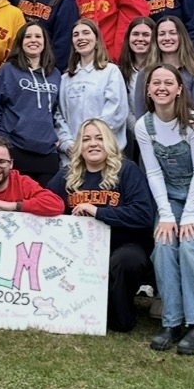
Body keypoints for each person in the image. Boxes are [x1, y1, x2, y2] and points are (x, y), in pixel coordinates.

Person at [138, 64, 194, 355]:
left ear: (179, 90)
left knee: (190, 247)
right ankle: (171, 321)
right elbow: (153, 173)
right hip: (172, 196)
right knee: (163, 245)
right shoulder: (144, 126)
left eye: (168, 83)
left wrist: (187, 216)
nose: (161, 87)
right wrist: (166, 215)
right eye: (156, 83)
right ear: (148, 90)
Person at [48, 119, 155, 332]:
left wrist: (98, 212)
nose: (93, 144)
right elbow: (45, 203)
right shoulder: (66, 176)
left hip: (123, 246)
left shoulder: (127, 171)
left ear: (110, 143)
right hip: (80, 251)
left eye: (99, 138)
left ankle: (119, 317)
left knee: (126, 260)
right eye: (86, 139)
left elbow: (144, 215)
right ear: (79, 146)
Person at [0, 22, 62, 186]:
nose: (33, 40)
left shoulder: (55, 74)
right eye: (28, 37)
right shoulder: (8, 70)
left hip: (47, 150)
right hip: (14, 148)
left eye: (38, 36)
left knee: (46, 204)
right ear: (20, 42)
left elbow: (57, 111)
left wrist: (58, 136)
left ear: (45, 42)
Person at [56, 18, 129, 159]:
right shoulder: (65, 78)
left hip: (106, 153)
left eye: (86, 33)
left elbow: (117, 111)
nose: (81, 38)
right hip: (73, 157)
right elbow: (59, 115)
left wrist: (91, 141)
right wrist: (69, 144)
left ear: (96, 40)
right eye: (76, 34)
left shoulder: (110, 71)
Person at [134, 16, 194, 116]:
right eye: (162, 34)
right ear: (155, 39)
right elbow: (140, 116)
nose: (167, 38)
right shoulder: (145, 73)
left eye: (172, 33)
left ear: (181, 36)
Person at [117, 16, 156, 140]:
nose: (140, 39)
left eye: (146, 35)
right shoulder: (119, 71)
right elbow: (122, 107)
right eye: (135, 34)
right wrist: (138, 130)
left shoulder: (162, 70)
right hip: (130, 135)